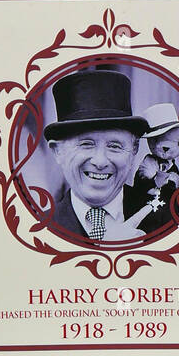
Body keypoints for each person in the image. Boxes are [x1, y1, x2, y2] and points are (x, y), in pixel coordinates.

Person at [43, 71, 155, 243]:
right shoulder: (36, 230)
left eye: (114, 146)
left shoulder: (172, 218)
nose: (101, 161)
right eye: (86, 144)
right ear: (58, 151)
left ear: (134, 150)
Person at [124, 103, 179, 234]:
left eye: (178, 143)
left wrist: (170, 184)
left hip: (167, 213)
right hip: (146, 214)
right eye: (156, 140)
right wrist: (153, 182)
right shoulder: (147, 163)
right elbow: (140, 185)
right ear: (151, 141)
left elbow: (174, 189)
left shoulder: (173, 167)